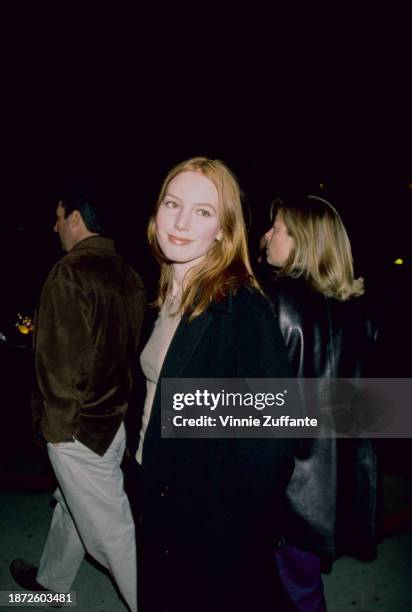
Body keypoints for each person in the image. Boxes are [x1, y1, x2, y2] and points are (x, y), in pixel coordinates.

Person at [136, 157, 296, 612]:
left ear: (224, 230)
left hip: (208, 522)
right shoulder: (167, 294)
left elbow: (274, 436)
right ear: (156, 212)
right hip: (161, 495)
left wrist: (228, 523)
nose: (181, 222)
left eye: (203, 212)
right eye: (172, 204)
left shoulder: (240, 306)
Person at [10, 191, 146, 612]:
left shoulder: (70, 273)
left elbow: (57, 365)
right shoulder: (128, 274)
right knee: (74, 506)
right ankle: (52, 584)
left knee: (114, 535)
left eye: (58, 218)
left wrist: (56, 429)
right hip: (112, 423)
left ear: (76, 218)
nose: (54, 228)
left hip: (78, 429)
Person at [262, 195, 378, 612]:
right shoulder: (361, 314)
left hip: (287, 486)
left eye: (277, 228)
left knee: (290, 592)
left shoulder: (275, 304)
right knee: (300, 587)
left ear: (303, 241)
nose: (266, 236)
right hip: (338, 480)